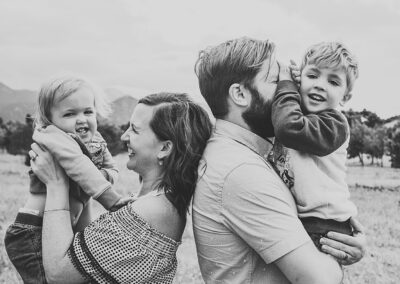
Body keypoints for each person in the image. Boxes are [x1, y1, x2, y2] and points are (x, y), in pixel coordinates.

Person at [193, 37, 366, 284]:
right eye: (277, 81)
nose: (289, 91)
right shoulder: (240, 171)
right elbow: (320, 280)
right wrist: (340, 258)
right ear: (240, 94)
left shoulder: (243, 152)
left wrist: (345, 236)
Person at [28, 92, 213, 283]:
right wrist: (80, 182)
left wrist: (56, 184)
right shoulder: (154, 203)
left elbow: (59, 275)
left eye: (134, 130)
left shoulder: (151, 211)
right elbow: (84, 257)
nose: (125, 136)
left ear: (165, 148)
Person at [4, 76, 127, 284]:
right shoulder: (55, 138)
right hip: (34, 230)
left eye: (88, 111)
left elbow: (112, 169)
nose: (82, 119)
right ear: (49, 120)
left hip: (64, 226)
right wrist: (111, 200)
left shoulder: (96, 142)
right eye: (70, 114)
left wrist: (102, 177)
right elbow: (78, 165)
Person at [270, 42, 359, 250]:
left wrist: (287, 85)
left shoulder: (335, 124)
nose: (320, 85)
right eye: (312, 76)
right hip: (304, 220)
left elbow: (288, 127)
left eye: (333, 82)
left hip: (324, 225)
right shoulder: (296, 113)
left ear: (345, 97)